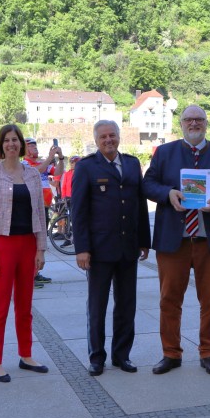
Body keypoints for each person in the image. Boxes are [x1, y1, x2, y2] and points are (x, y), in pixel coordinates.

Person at [143, 105, 210, 376]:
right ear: (181, 123)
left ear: (206, 123)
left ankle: (208, 353)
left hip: (209, 240)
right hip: (173, 239)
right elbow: (148, 184)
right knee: (169, 299)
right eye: (189, 119)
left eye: (199, 119)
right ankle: (171, 353)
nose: (194, 123)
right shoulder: (164, 153)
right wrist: (168, 194)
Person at [72, 121, 151, 376]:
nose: (109, 140)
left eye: (112, 135)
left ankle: (122, 355)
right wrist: (81, 248)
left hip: (128, 247)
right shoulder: (86, 167)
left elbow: (140, 205)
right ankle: (97, 357)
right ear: (96, 140)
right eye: (104, 137)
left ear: (119, 137)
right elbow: (79, 211)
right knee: (97, 306)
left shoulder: (132, 164)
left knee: (126, 305)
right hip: (98, 250)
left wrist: (144, 240)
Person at [0, 125, 49, 382]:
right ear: (1, 145)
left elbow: (40, 213)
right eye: (7, 140)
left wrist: (41, 248)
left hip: (28, 244)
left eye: (15, 140)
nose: (11, 144)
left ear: (21, 144)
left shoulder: (32, 174)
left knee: (25, 305)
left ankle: (26, 355)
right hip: (3, 245)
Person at [24, 137, 64, 287]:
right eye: (31, 146)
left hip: (44, 207)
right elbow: (36, 172)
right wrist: (49, 157)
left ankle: (35, 273)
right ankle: (29, 275)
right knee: (31, 243)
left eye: (35, 145)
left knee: (40, 242)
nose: (35, 147)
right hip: (32, 208)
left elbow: (58, 172)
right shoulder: (24, 164)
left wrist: (60, 158)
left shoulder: (43, 162)